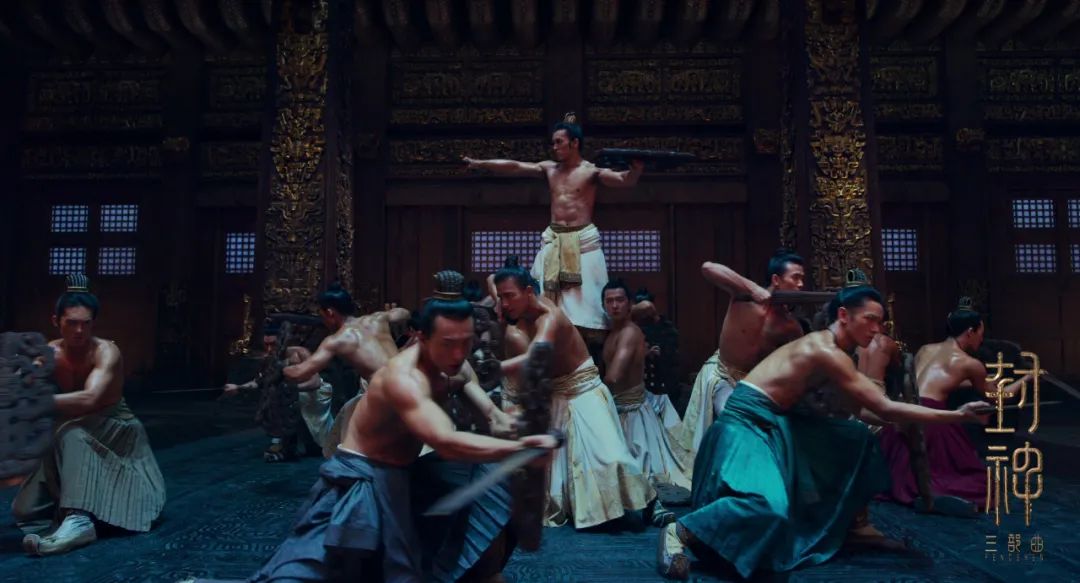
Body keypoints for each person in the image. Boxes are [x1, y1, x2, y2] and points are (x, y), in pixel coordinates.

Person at [656, 284, 991, 580]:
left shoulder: (838, 352)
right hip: (747, 424)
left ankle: (855, 526)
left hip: (780, 422)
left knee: (856, 437)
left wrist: (901, 419)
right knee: (767, 504)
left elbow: (863, 410)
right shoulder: (825, 351)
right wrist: (956, 415)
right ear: (843, 315)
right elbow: (883, 407)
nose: (877, 329)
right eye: (870, 319)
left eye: (880, 321)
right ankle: (681, 531)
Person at [247, 271, 559, 582]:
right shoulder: (403, 378)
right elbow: (444, 440)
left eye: (465, 343)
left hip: (407, 473)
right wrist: (518, 448)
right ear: (422, 338)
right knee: (321, 574)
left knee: (483, 490)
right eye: (448, 344)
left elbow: (493, 417)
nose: (457, 354)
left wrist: (522, 429)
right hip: (364, 478)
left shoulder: (458, 366)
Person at [493, 263, 669, 529]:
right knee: (559, 472)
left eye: (509, 296)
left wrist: (496, 369)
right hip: (557, 392)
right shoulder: (519, 314)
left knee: (612, 456)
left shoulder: (550, 317)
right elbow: (493, 282)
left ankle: (652, 502)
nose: (504, 303)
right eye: (500, 297)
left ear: (528, 291)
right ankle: (587, 510)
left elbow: (536, 355)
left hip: (584, 387)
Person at [464, 112, 644, 353]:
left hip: (583, 242)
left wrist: (636, 170)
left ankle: (583, 348)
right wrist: (481, 163)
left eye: (559, 142)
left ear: (574, 143)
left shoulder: (590, 171)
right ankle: (545, 336)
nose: (554, 147)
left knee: (585, 303)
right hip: (553, 240)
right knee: (544, 297)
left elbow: (624, 180)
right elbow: (516, 167)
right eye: (553, 142)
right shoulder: (549, 169)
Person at [13, 275, 166, 556]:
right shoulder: (49, 353)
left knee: (69, 433)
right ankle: (74, 510)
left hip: (116, 429)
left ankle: (79, 519)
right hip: (73, 428)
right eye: (72, 322)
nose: (79, 330)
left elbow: (91, 398)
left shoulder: (106, 351)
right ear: (56, 321)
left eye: (86, 323)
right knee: (26, 510)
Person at [877, 297, 1029, 515]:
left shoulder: (926, 349)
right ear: (970, 331)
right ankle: (935, 495)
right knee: (978, 483)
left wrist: (973, 381)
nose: (981, 339)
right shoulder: (969, 363)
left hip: (904, 410)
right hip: (931, 417)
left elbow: (937, 379)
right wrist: (1028, 378)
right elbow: (998, 397)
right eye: (980, 333)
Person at [674, 250, 806, 457]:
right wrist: (753, 288)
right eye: (796, 278)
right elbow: (708, 268)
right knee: (736, 419)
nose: (801, 284)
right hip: (722, 376)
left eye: (802, 279)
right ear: (776, 280)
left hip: (753, 386)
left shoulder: (790, 326)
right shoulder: (744, 297)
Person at [281, 283, 410, 455]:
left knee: (355, 445)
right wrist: (390, 313)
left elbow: (300, 373)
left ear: (330, 313)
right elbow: (403, 312)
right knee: (350, 411)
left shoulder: (338, 339)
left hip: (386, 396)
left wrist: (277, 368)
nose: (324, 322)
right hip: (409, 383)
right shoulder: (377, 318)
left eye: (322, 316)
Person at [602, 280, 691, 490]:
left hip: (632, 414)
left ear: (629, 303)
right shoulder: (611, 332)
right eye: (609, 301)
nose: (614, 305)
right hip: (618, 409)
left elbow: (613, 377)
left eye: (620, 300)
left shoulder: (630, 332)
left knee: (637, 476)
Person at [223, 319, 324, 461]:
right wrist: (238, 387)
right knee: (275, 393)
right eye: (267, 344)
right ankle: (280, 441)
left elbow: (315, 382)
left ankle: (288, 442)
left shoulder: (299, 353)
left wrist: (291, 388)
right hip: (289, 396)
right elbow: (260, 382)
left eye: (273, 344)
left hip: (312, 394)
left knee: (281, 393)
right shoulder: (271, 359)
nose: (269, 349)